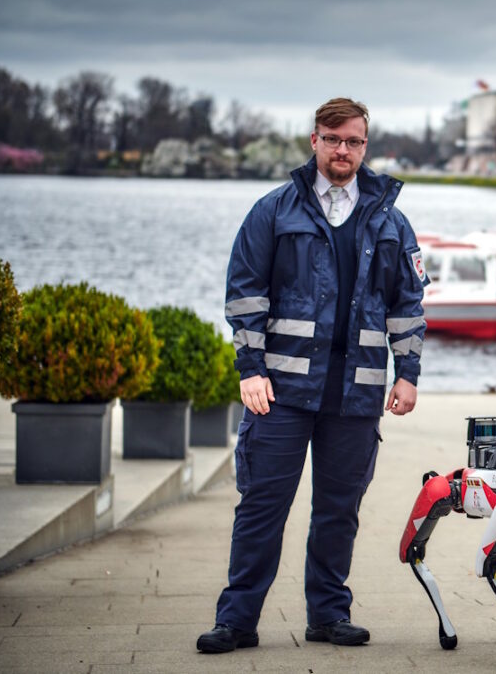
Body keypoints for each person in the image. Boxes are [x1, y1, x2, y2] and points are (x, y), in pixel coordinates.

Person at [197, 97, 429, 654]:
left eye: (353, 141)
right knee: (261, 505)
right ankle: (238, 620)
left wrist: (409, 372)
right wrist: (249, 369)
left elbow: (408, 304)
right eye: (333, 139)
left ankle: (328, 614)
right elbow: (245, 296)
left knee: (338, 510)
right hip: (279, 392)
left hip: (357, 393)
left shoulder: (391, 221)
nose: (342, 150)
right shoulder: (274, 211)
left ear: (365, 146)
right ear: (314, 141)